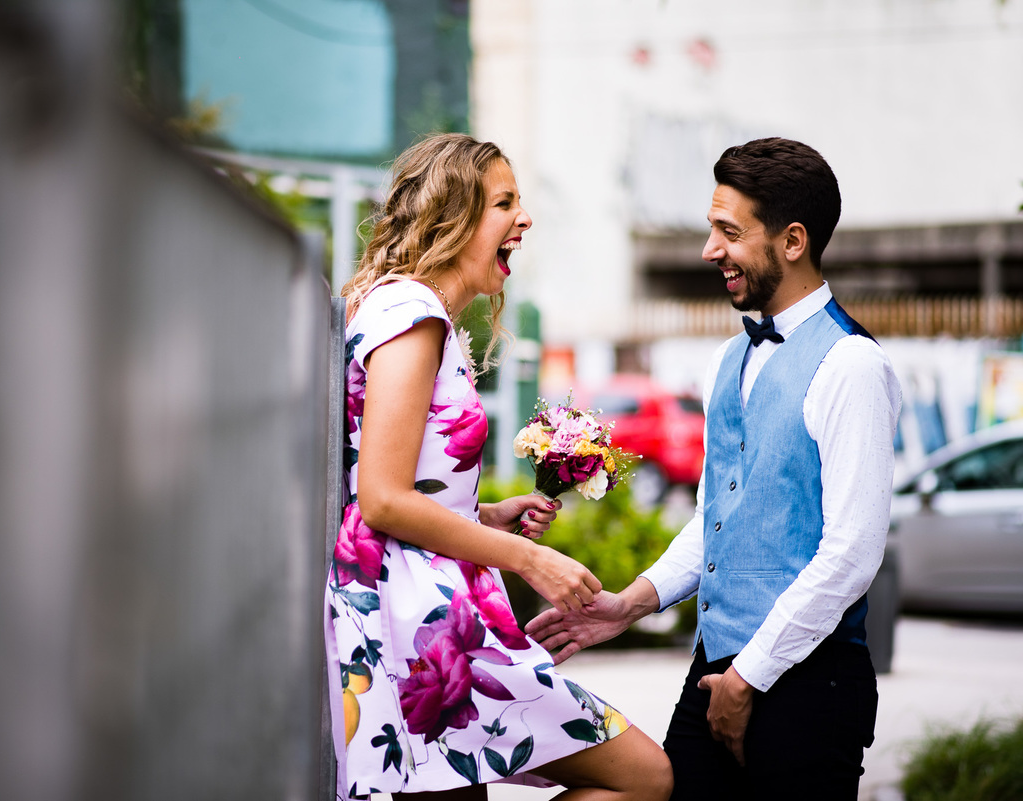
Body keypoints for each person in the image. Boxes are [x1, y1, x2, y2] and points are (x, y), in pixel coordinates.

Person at [527, 137, 902, 800]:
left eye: (729, 232)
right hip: (716, 668)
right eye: (711, 229)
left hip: (809, 685)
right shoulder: (728, 360)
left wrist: (749, 676)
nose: (709, 250)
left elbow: (853, 551)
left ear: (793, 241)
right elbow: (717, 520)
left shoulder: (852, 366)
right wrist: (628, 606)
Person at [324, 133, 673, 801]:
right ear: (452, 217)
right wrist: (526, 558)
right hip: (421, 625)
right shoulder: (412, 314)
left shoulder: (419, 315)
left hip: (428, 612)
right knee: (647, 775)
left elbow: (399, 485)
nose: (524, 218)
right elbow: (381, 498)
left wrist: (483, 515)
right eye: (503, 203)